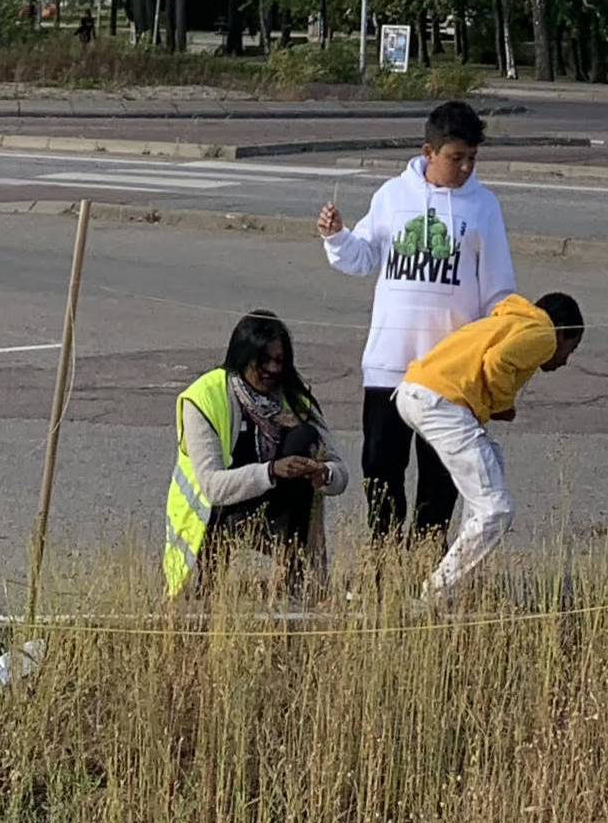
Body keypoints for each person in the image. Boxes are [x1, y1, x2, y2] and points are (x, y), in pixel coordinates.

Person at [316, 100, 518, 540]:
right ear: (429, 152)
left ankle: (426, 556)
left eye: (472, 158)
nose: (465, 168)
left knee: (440, 479)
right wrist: (336, 236)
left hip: (449, 373)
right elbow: (361, 257)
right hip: (389, 365)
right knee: (381, 471)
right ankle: (383, 559)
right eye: (455, 158)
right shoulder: (392, 195)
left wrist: (494, 366)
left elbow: (498, 291)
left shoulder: (483, 206)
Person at [394, 293, 585, 601]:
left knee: (491, 463)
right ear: (562, 331)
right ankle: (436, 594)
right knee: (496, 509)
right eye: (570, 349)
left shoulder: (510, 320)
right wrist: (502, 404)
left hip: (414, 392)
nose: (564, 360)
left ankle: (460, 581)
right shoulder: (544, 334)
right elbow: (498, 361)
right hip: (441, 403)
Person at [164, 310, 352, 594]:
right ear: (242, 356)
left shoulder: (295, 397)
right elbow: (212, 487)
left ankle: (296, 577)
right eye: (263, 360)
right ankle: (208, 587)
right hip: (215, 510)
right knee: (206, 592)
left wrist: (324, 474)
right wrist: (272, 471)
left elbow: (341, 473)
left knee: (304, 436)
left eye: (279, 360)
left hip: (277, 506)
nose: (272, 369)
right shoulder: (204, 398)